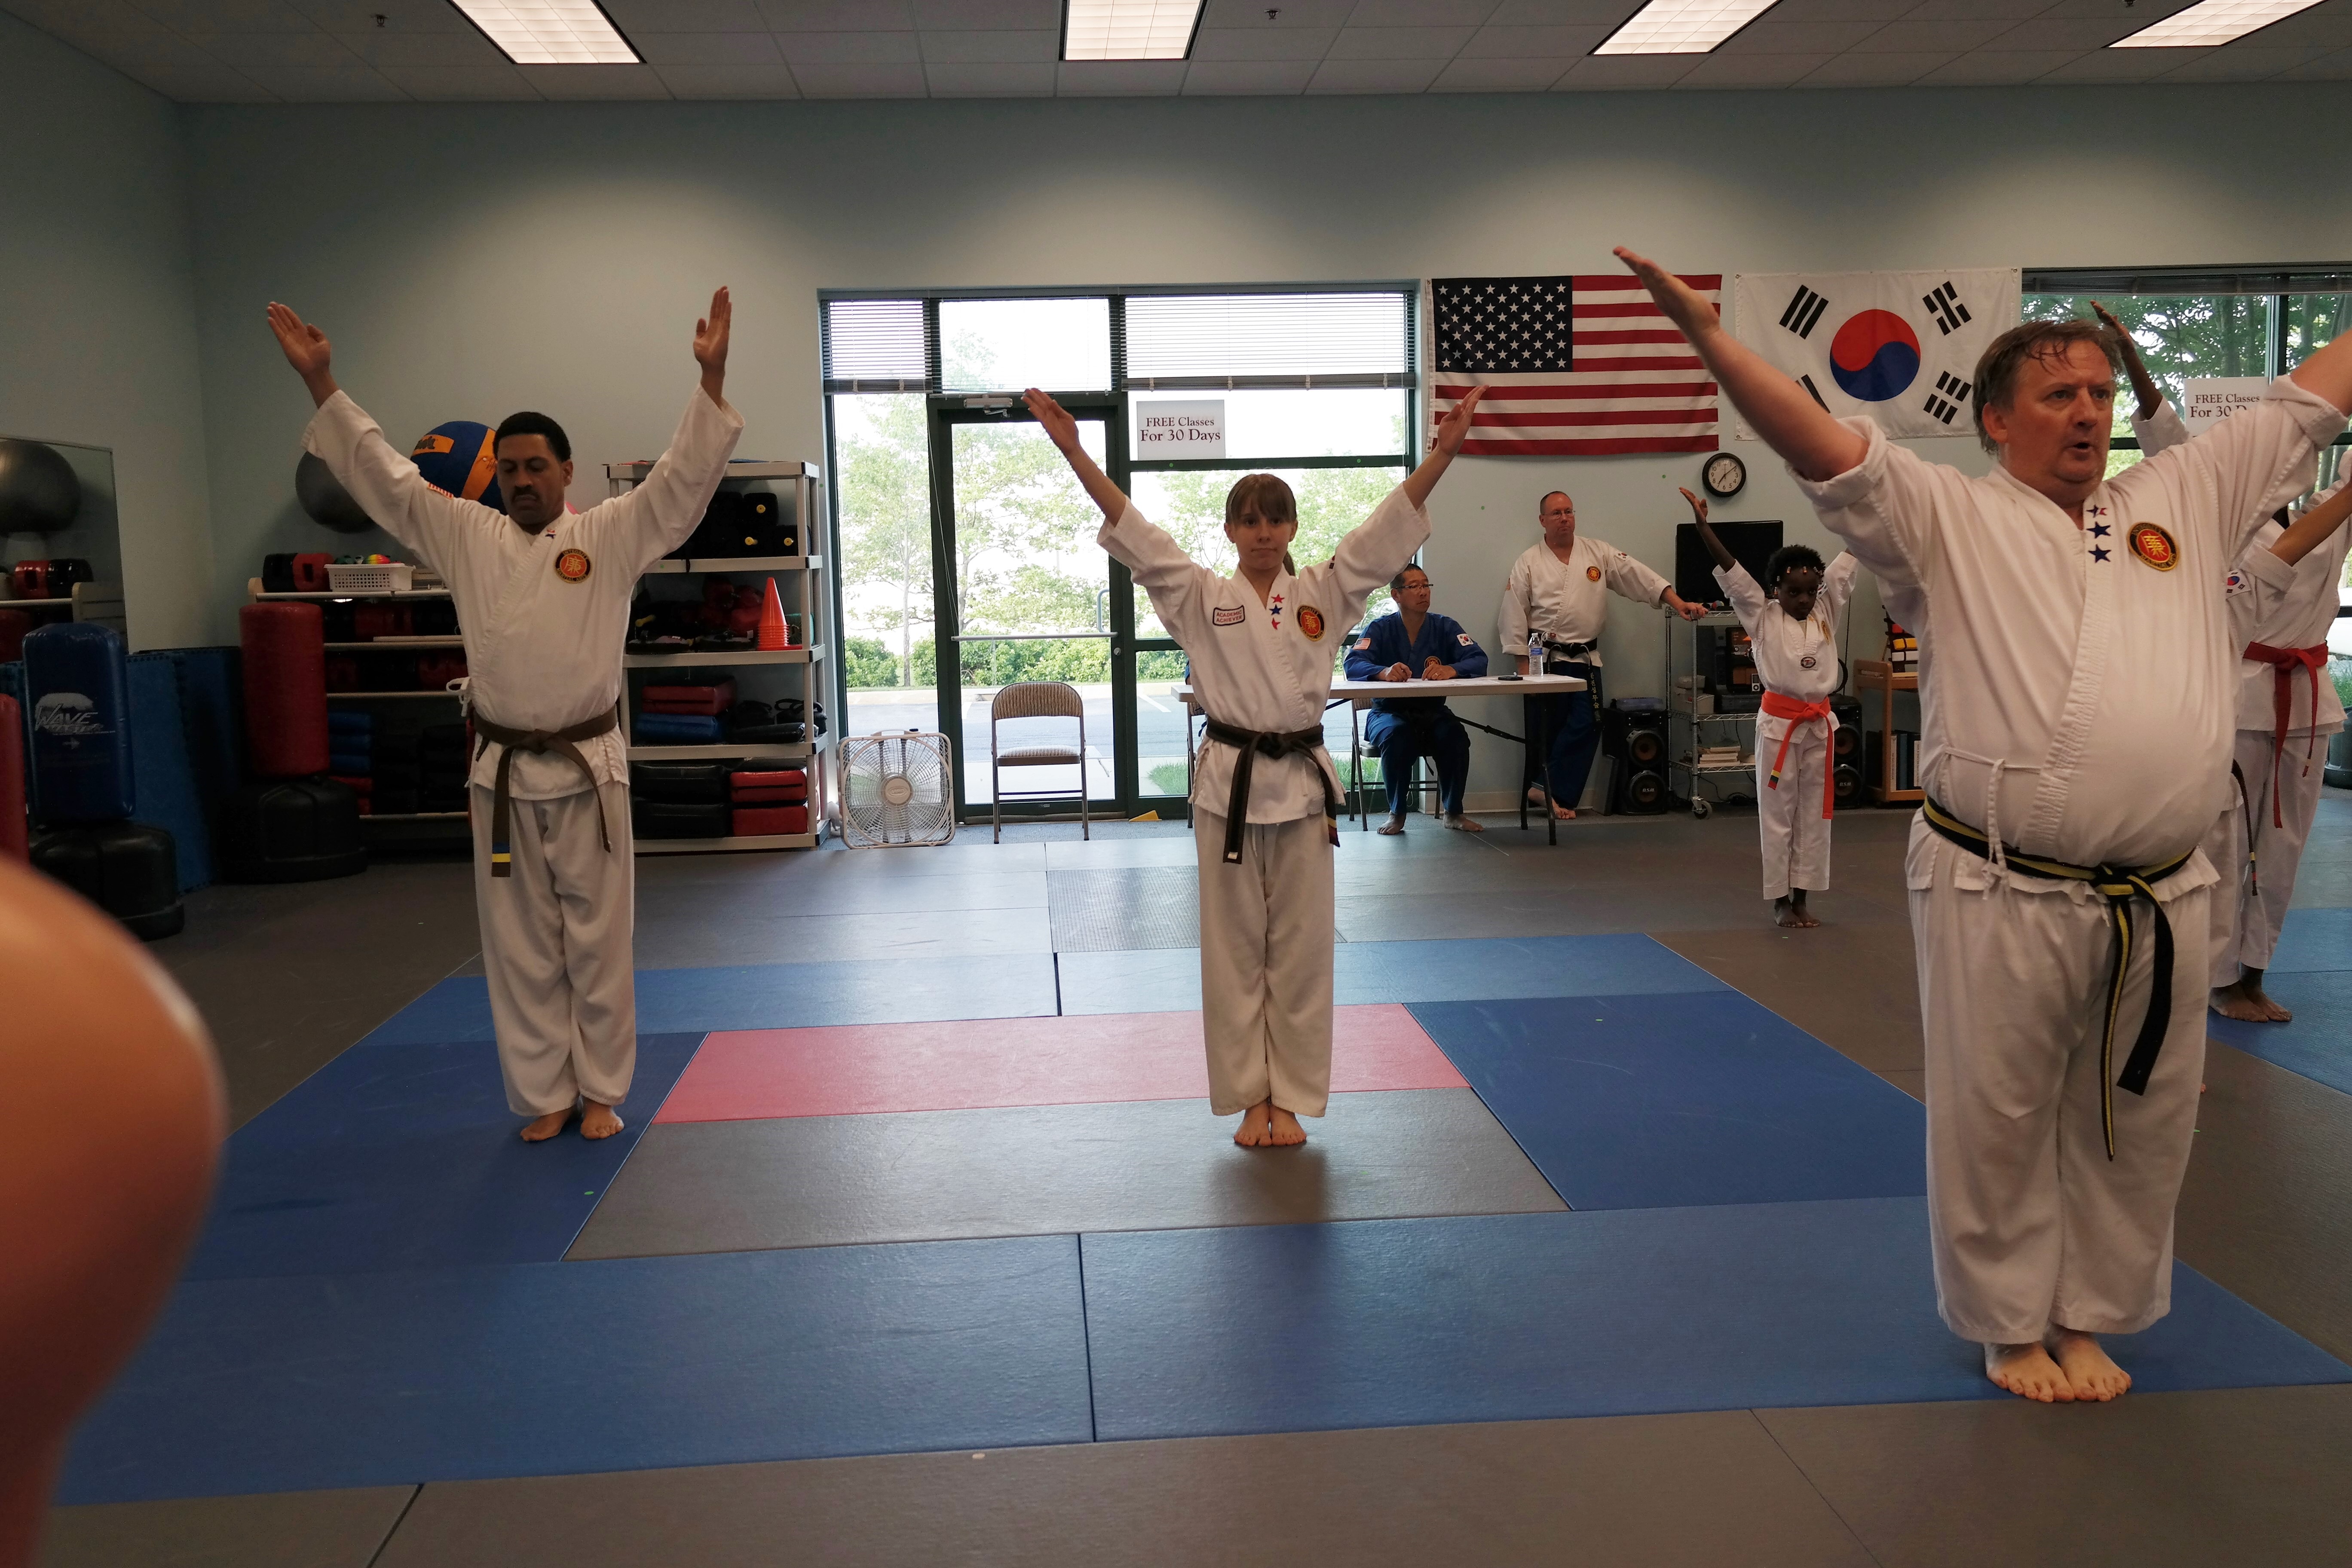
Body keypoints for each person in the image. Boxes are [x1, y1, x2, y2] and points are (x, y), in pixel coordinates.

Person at [1616, 244, 2352, 1406]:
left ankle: (2089, 1312)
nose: (2088, 412)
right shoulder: (1947, 516)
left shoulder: (2184, 496)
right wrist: (1710, 340)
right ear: (1997, 420)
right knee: (1998, 1109)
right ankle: (2010, 1325)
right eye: (2058, 394)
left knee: (2139, 1115)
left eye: (2099, 393)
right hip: (1999, 877)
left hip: (2162, 887)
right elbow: (1821, 445)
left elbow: (2310, 399)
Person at [267, 291, 744, 1143]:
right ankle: (546, 1093)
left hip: (590, 771)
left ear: (567, 472)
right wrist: (322, 383)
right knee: (519, 946)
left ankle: (602, 1089)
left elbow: (679, 486)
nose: (523, 481)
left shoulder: (610, 534)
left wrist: (709, 381)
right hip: (502, 776)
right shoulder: (466, 535)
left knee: (599, 941)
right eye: (511, 468)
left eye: (537, 466)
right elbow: (386, 479)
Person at [1025, 385, 1485, 1148]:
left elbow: (1383, 530)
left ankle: (1292, 1099)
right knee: (1233, 949)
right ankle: (1248, 1099)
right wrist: (1075, 452)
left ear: (1292, 527)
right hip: (1229, 789)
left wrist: (1443, 454)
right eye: (1249, 519)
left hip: (1300, 787)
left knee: (1301, 951)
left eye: (1275, 519)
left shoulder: (1325, 591)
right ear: (1231, 530)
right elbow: (1135, 531)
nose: (1263, 532)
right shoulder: (1199, 594)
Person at [2105, 304, 2352, 1023]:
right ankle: (2216, 976)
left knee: (2284, 847)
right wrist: (2132, 361)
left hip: (2307, 699)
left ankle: (2253, 972)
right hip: (2239, 693)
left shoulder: (2332, 507)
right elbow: (2164, 437)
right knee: (2222, 843)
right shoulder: (2222, 518)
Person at [1684, 488, 1858, 928]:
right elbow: (1732, 570)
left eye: (1810, 591)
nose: (1803, 599)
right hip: (1780, 727)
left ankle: (1803, 897)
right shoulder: (1761, 615)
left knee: (1815, 815)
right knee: (1778, 815)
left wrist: (1868, 508)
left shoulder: (1827, 611)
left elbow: (1852, 554)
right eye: (1793, 592)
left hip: (1819, 725)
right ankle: (1780, 900)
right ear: (1776, 589)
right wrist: (1704, 528)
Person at [1498, 490, 1706, 820]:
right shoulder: (1529, 561)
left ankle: (1547, 788)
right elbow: (1513, 614)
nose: (1564, 518)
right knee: (1547, 729)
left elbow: (1639, 576)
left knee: (1591, 723)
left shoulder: (1597, 552)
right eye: (1556, 513)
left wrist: (1678, 603)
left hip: (1585, 658)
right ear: (1543, 520)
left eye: (1569, 511)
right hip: (1545, 659)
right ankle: (1549, 794)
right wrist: (1523, 668)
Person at [1343, 564, 1489, 834]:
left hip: (1433, 711)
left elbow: (1479, 659)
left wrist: (1452, 669)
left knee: (1455, 736)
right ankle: (1397, 813)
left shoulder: (1445, 627)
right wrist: (1383, 672)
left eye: (1426, 585)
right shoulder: (1379, 628)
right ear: (1396, 595)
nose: (1423, 592)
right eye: (1414, 587)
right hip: (1387, 713)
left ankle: (1454, 812)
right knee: (1397, 736)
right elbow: (1352, 663)